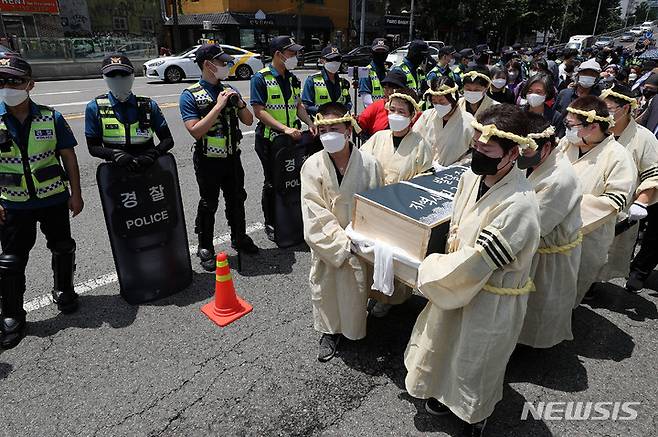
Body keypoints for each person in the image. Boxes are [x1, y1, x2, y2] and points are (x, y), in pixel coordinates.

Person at [404, 104, 540, 437]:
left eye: (486, 150)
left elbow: (479, 260)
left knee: (476, 359)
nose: (477, 153)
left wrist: (425, 268)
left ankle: (473, 412)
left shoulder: (520, 203)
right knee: (443, 341)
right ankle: (439, 392)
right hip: (456, 281)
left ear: (511, 154)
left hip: (489, 294)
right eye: (475, 145)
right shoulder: (471, 175)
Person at [0, 55, 83, 349]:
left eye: (15, 81)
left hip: (52, 199)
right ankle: (11, 313)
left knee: (62, 246)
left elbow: (69, 157)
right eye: (2, 81)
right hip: (13, 203)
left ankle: (64, 289)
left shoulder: (52, 117)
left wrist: (76, 193)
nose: (8, 86)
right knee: (10, 261)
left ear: (30, 84)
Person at [301, 102, 382, 362]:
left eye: (334, 128)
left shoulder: (370, 164)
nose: (328, 135)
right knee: (326, 288)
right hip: (330, 245)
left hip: (361, 241)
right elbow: (313, 211)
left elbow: (379, 204)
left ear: (349, 129)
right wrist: (341, 242)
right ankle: (329, 330)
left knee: (356, 288)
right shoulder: (312, 165)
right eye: (323, 129)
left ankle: (355, 326)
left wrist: (363, 238)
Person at [179, 44, 258, 269]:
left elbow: (248, 120)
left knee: (236, 199)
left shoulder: (230, 89)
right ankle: (205, 245)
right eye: (222, 63)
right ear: (208, 65)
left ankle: (239, 237)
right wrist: (218, 106)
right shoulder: (190, 95)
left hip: (232, 157)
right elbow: (195, 130)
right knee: (209, 203)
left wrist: (240, 103)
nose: (226, 66)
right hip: (207, 161)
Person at [558, 96, 636, 306]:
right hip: (551, 229)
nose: (567, 129)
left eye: (570, 125)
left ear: (592, 127)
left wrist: (563, 210)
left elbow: (614, 201)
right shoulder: (567, 144)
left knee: (570, 290)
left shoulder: (618, 157)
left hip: (587, 235)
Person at [516, 114, 583, 349]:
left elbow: (534, 225)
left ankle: (528, 346)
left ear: (546, 147)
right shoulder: (538, 160)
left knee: (540, 302)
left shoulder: (558, 178)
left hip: (546, 248)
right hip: (536, 245)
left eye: (526, 149)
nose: (520, 154)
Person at [250, 36, 316, 241]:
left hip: (291, 140)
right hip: (270, 140)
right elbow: (259, 111)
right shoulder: (260, 78)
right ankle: (271, 221)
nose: (295, 56)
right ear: (278, 54)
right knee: (272, 182)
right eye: (291, 53)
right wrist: (284, 128)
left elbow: (298, 107)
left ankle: (291, 216)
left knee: (293, 180)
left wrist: (310, 122)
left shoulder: (293, 78)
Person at [598, 85, 658, 285]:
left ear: (624, 109)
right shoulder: (596, 130)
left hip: (622, 208)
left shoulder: (644, 138)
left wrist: (641, 202)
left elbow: (653, 173)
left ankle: (593, 283)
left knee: (608, 252)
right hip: (591, 201)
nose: (604, 112)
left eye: (609, 108)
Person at [86, 54, 174, 171]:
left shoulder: (148, 105)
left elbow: (168, 140)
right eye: (112, 75)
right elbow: (93, 147)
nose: (118, 79)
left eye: (123, 74)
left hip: (148, 169)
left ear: (132, 76)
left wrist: (153, 154)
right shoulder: (95, 108)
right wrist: (113, 154)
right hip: (116, 173)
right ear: (104, 77)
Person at [361, 89, 431, 184]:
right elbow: (361, 162)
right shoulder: (378, 137)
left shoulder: (420, 144)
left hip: (403, 196)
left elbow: (425, 176)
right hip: (373, 195)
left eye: (401, 112)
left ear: (412, 115)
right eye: (392, 110)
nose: (395, 115)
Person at [413, 76, 475, 167]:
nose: (438, 105)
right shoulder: (427, 116)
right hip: (424, 170)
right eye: (434, 101)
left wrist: (457, 166)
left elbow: (476, 151)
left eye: (442, 102)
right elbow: (413, 141)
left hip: (451, 174)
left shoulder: (468, 121)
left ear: (453, 99)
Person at [553, 59, 602, 137]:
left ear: (596, 78)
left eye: (592, 74)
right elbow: (554, 116)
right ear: (578, 75)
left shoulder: (598, 99)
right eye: (585, 73)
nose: (588, 76)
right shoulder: (564, 94)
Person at [302, 46, 352, 118]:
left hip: (340, 124)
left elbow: (348, 102)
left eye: (337, 59)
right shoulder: (312, 80)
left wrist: (343, 110)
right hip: (320, 124)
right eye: (331, 59)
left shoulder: (344, 81)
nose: (335, 62)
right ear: (322, 61)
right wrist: (327, 112)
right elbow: (306, 105)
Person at [357, 70, 408, 139]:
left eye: (393, 87)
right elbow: (360, 123)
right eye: (386, 87)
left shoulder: (410, 107)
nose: (389, 91)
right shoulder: (377, 106)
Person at [359, 38, 390, 108]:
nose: (380, 54)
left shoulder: (388, 71)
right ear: (372, 52)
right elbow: (367, 101)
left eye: (383, 52)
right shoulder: (364, 71)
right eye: (378, 51)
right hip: (373, 114)